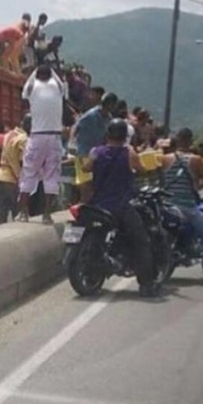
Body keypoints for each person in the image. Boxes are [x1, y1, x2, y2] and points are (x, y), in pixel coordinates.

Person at [83, 119, 158, 298]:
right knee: (141, 241)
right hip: (120, 207)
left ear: (107, 134)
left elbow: (86, 167)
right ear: (125, 136)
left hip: (97, 205)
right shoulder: (129, 153)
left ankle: (92, 270)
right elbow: (141, 170)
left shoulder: (95, 152)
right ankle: (146, 284)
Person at [160, 128, 203, 284]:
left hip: (166, 205)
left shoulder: (165, 159)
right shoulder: (195, 160)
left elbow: (160, 180)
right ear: (190, 141)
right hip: (186, 205)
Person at [17, 65, 66, 224]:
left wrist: (34, 72)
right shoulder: (59, 87)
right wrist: (52, 70)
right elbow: (59, 80)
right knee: (52, 176)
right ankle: (46, 215)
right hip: (55, 137)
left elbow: (25, 93)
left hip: (37, 136)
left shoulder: (32, 87)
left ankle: (23, 213)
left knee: (29, 173)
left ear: (36, 76)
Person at [74, 93, 118, 202]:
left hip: (97, 155)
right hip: (84, 152)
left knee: (93, 185)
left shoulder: (109, 118)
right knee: (85, 185)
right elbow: (75, 128)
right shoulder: (90, 115)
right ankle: (82, 210)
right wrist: (72, 144)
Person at [0, 114, 32, 224]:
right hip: (14, 179)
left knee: (1, 215)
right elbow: (23, 161)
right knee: (18, 213)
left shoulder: (8, 135)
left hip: (1, 176)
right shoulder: (24, 139)